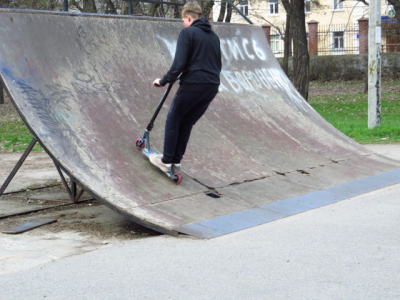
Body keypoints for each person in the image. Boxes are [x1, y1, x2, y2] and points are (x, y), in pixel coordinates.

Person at [151, 1, 222, 174]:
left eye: (184, 20)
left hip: (193, 84)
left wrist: (164, 80)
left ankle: (166, 161)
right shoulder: (214, 36)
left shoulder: (188, 32)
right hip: (212, 86)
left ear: (188, 17)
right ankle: (176, 161)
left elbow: (179, 63)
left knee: (174, 119)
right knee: (187, 122)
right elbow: (218, 64)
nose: (184, 23)